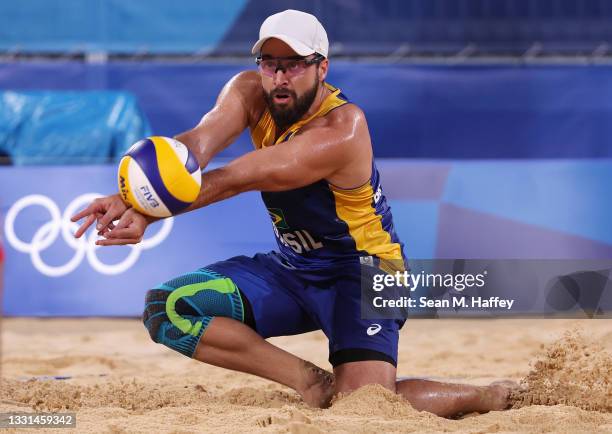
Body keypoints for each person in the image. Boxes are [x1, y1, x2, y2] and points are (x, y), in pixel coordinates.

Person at [72, 9, 515, 417]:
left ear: (323, 67)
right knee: (167, 308)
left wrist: (151, 215)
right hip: (293, 267)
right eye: (271, 63)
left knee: (364, 406)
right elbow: (196, 147)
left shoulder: (342, 129)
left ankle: (486, 396)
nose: (280, 76)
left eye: (295, 64)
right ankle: (310, 382)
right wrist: (131, 196)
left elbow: (238, 177)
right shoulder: (249, 89)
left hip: (365, 274)